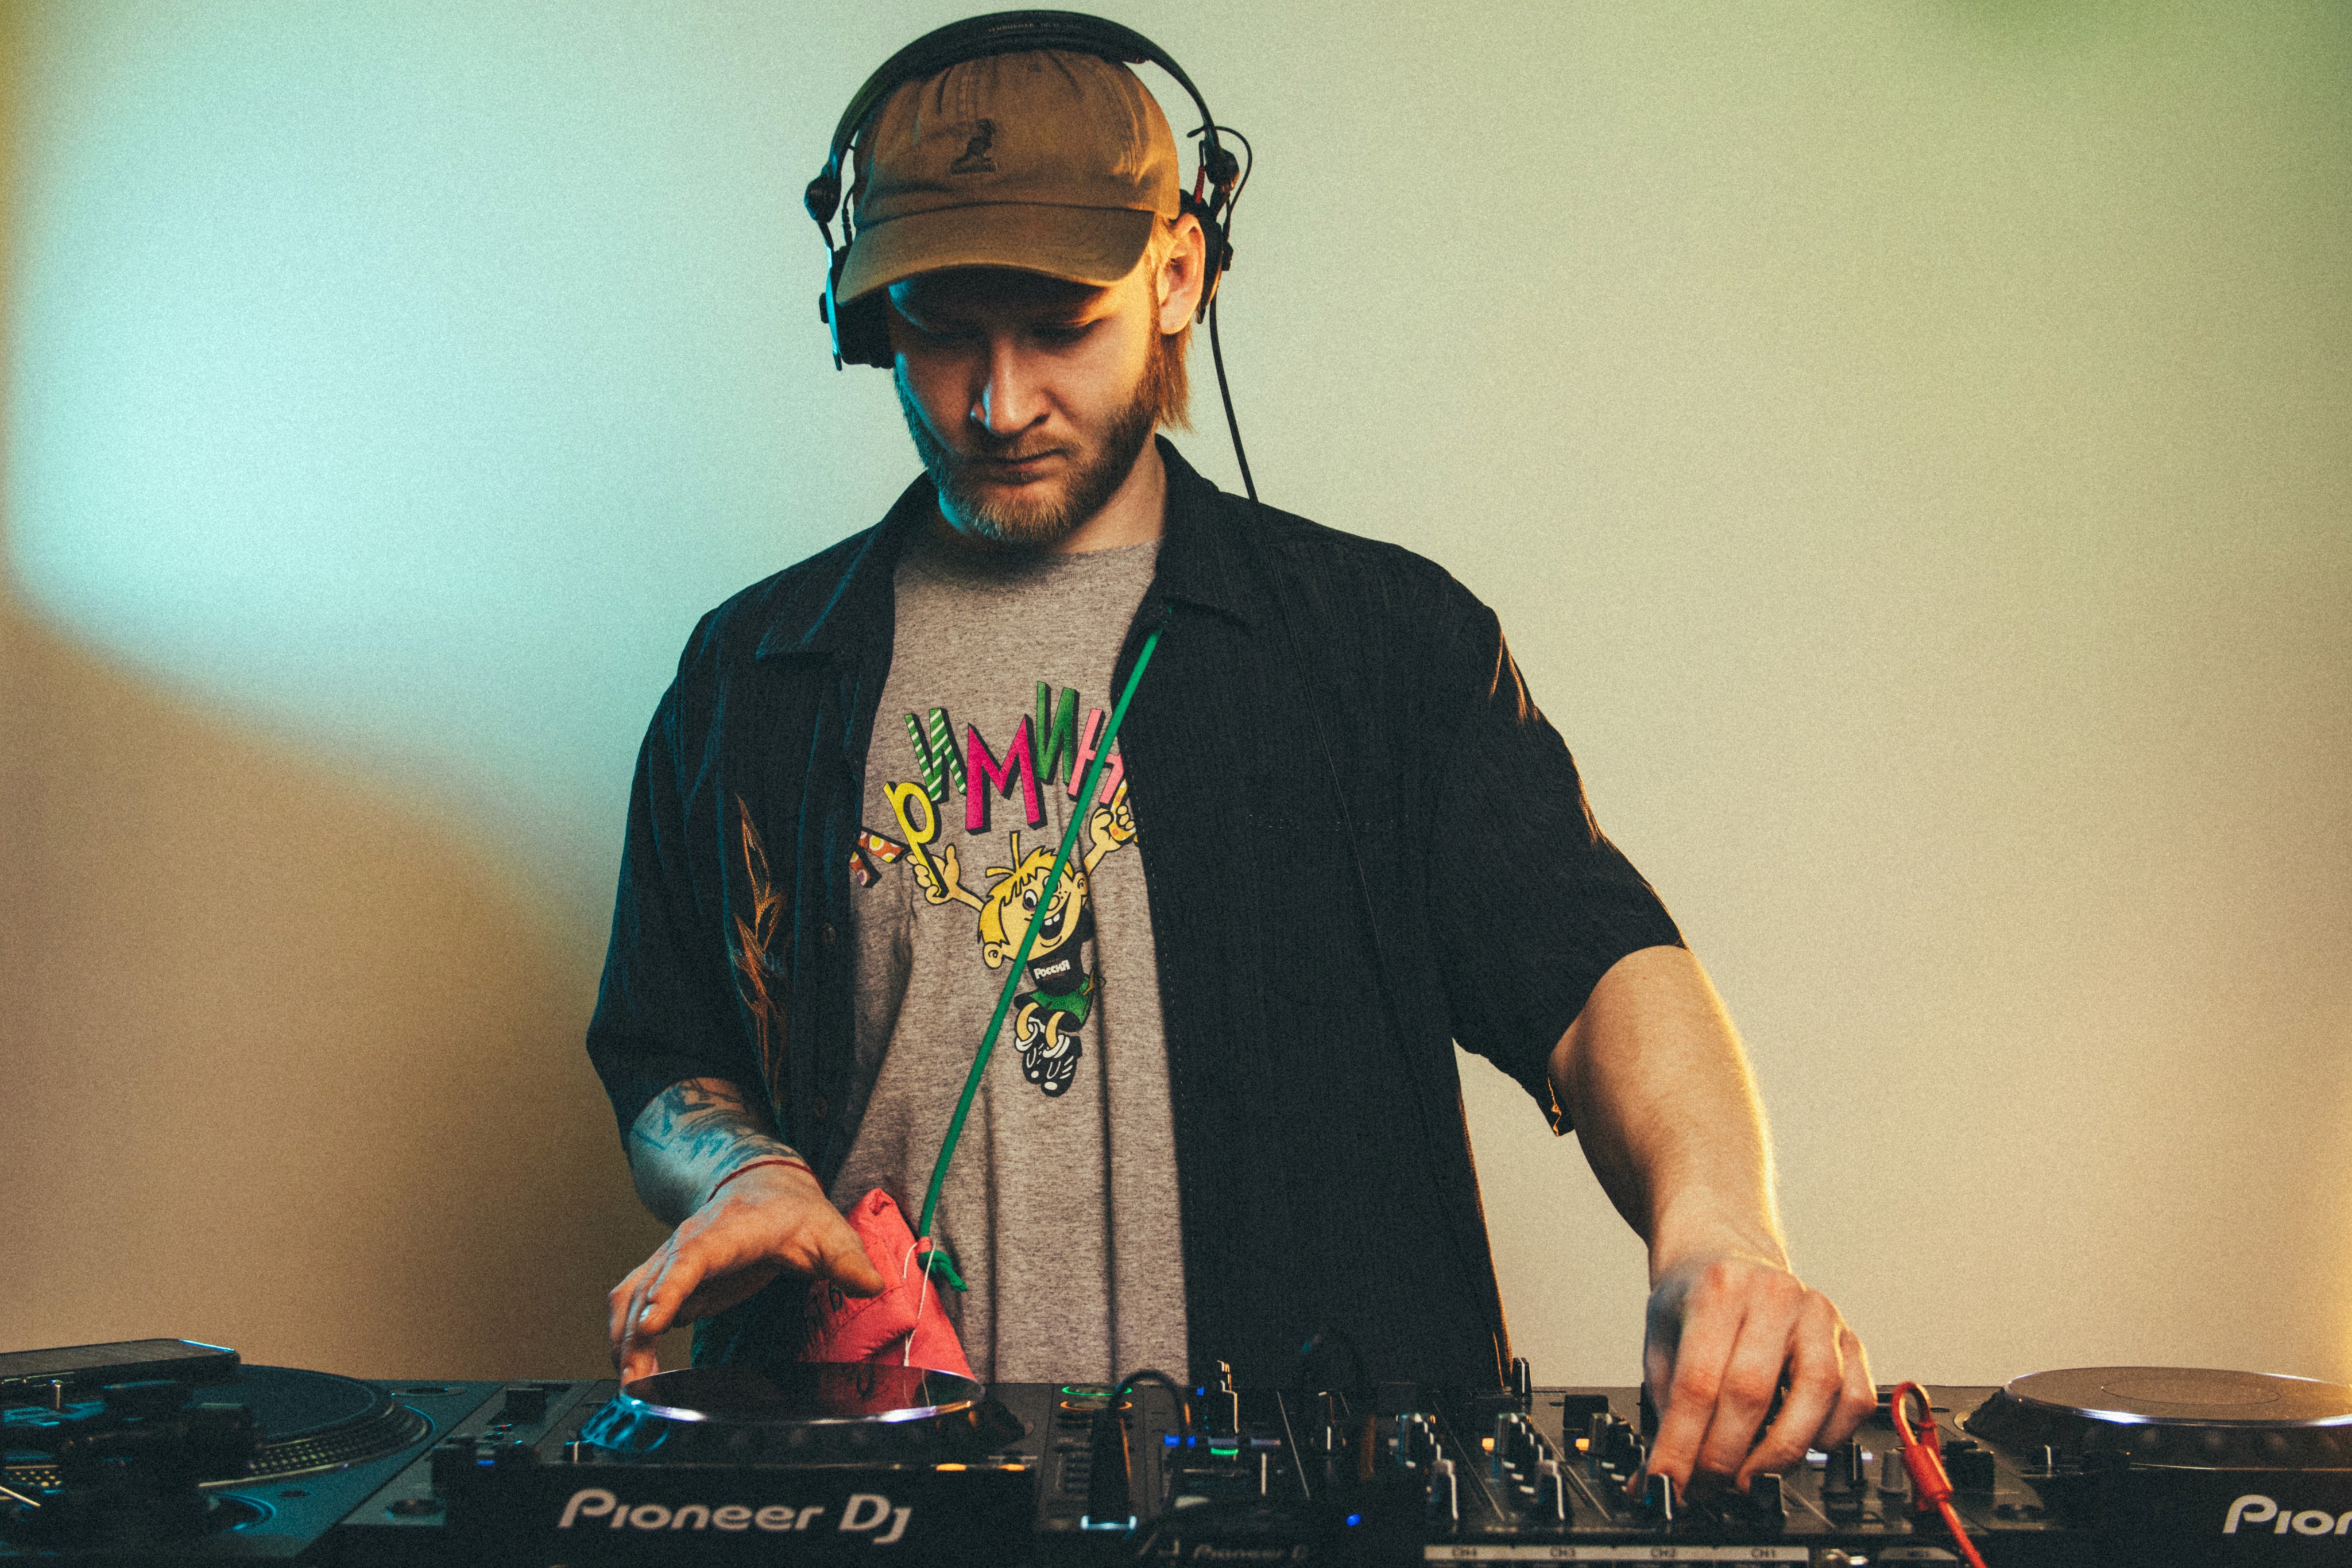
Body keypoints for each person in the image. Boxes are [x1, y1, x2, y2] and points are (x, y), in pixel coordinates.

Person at [586, 25, 1873, 1496]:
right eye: (941, 332)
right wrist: (741, 1168)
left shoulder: (1380, 644)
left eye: (1059, 325)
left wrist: (1718, 1233)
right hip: (873, 1492)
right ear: (864, 316)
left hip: (1303, 1506)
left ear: (1178, 273)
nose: (997, 403)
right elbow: (666, 1047)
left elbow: (1592, 972)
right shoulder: (749, 674)